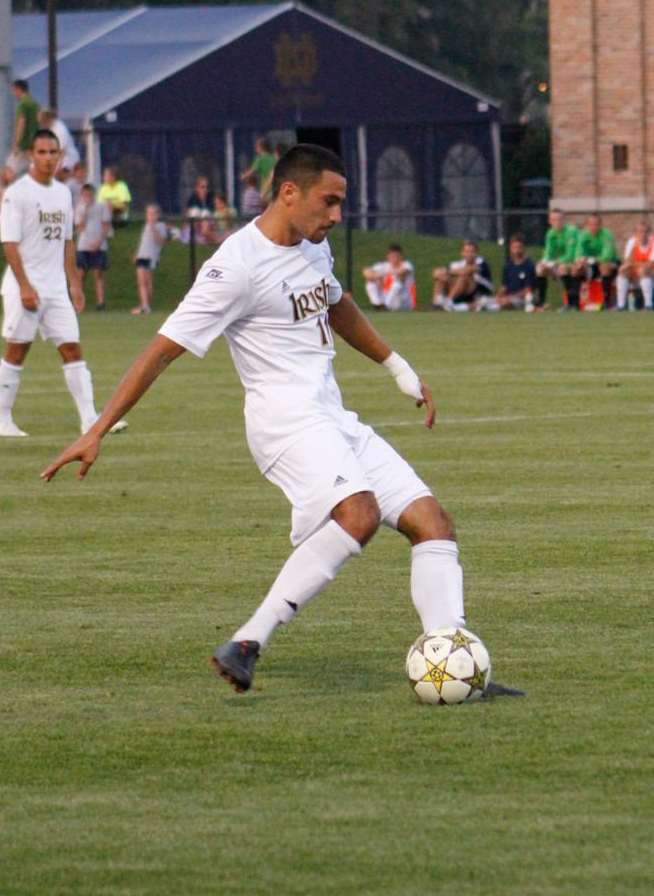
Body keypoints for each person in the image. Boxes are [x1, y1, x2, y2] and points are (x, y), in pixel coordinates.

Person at [42, 143, 520, 699]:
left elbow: (335, 303)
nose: (337, 215)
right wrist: (97, 429)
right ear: (288, 192)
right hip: (284, 422)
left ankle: (456, 663)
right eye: (330, 201)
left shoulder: (312, 246)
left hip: (331, 415)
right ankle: (247, 641)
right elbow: (161, 350)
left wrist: (397, 368)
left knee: (431, 521)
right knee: (358, 513)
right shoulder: (234, 266)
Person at [0, 129, 127, 438]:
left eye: (54, 152)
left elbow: (66, 241)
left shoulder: (63, 193)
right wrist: (25, 285)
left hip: (55, 289)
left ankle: (90, 419)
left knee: (72, 349)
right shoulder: (18, 193)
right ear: (31, 155)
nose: (48, 158)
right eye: (42, 152)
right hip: (23, 287)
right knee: (17, 350)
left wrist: (75, 284)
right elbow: (9, 243)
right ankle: (3, 421)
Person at [75, 183, 112, 311]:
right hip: (84, 244)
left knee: (98, 273)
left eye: (89, 194)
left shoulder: (101, 206)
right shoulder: (80, 208)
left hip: (98, 244)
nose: (88, 197)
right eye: (85, 195)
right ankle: (78, 301)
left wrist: (99, 241)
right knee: (81, 273)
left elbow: (106, 224)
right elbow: (79, 227)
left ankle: (101, 303)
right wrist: (85, 210)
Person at [478, 233, 537, 311]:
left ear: (524, 248)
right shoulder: (508, 265)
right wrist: (498, 297)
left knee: (507, 304)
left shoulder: (529, 265)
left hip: (520, 300)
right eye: (514, 247)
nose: (517, 250)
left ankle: (491, 309)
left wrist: (509, 298)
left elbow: (527, 290)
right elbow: (504, 287)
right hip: (506, 297)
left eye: (519, 247)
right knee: (484, 300)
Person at [535, 209, 580, 310]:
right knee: (540, 269)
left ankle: (570, 303)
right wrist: (544, 262)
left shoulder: (571, 231)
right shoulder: (550, 233)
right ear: (550, 222)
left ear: (564, 219)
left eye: (560, 219)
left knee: (563, 268)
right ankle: (541, 304)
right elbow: (548, 253)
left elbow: (571, 255)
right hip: (559, 264)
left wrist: (555, 262)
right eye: (554, 220)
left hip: (574, 264)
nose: (557, 222)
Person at [431, 240, 493, 310]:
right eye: (467, 252)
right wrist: (444, 274)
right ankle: (436, 304)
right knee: (442, 279)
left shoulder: (481, 262)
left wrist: (448, 272)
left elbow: (469, 270)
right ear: (462, 253)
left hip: (477, 293)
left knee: (464, 276)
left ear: (476, 252)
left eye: (471, 252)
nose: (469, 254)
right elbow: (436, 273)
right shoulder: (457, 264)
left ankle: (449, 301)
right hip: (461, 293)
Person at [574, 214, 619, 309]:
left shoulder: (607, 234)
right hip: (592, 266)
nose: (594, 227)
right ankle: (574, 302)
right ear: (587, 225)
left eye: (596, 224)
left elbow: (607, 256)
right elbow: (578, 254)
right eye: (591, 224)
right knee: (576, 268)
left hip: (611, 265)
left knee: (605, 266)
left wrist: (591, 259)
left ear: (600, 225)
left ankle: (607, 302)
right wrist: (580, 261)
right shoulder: (583, 236)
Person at [132, 203, 168, 314]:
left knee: (148, 281)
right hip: (142, 255)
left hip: (151, 256)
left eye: (153, 213)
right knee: (141, 280)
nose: (150, 216)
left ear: (157, 215)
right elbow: (144, 242)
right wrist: (137, 253)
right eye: (148, 213)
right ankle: (145, 305)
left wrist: (153, 227)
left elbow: (161, 241)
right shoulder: (146, 226)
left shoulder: (161, 226)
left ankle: (147, 304)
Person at [363, 243, 416, 310]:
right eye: (392, 256)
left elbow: (402, 271)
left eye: (397, 256)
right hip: (387, 297)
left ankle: (386, 306)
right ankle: (377, 305)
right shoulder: (383, 266)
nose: (395, 259)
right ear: (388, 256)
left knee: (398, 280)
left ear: (401, 257)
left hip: (402, 301)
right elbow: (366, 271)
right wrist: (373, 277)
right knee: (370, 282)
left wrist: (381, 274)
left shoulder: (406, 265)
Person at [615, 220, 654, 310]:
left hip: (650, 273)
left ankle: (649, 304)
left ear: (649, 232)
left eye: (646, 232)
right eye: (640, 232)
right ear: (636, 233)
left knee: (643, 270)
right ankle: (621, 305)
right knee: (623, 270)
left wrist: (633, 264)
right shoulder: (632, 242)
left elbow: (650, 264)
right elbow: (626, 261)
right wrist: (634, 248)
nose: (643, 234)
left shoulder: (653, 242)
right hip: (636, 272)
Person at [8, 80, 41, 177]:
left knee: (10, 168)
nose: (13, 93)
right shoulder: (34, 103)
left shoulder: (22, 104)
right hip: (34, 143)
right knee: (30, 170)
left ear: (19, 89)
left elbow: (21, 123)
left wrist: (16, 143)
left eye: (13, 90)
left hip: (24, 144)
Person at [37, 108, 81, 179]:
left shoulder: (60, 130)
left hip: (68, 163)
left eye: (42, 123)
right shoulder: (50, 129)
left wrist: (56, 169)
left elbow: (61, 152)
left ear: (47, 120)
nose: (42, 126)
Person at [240, 136, 277, 208]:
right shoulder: (273, 158)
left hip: (265, 189)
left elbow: (252, 170)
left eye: (257, 147)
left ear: (261, 147)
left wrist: (243, 176)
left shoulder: (260, 159)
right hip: (274, 189)